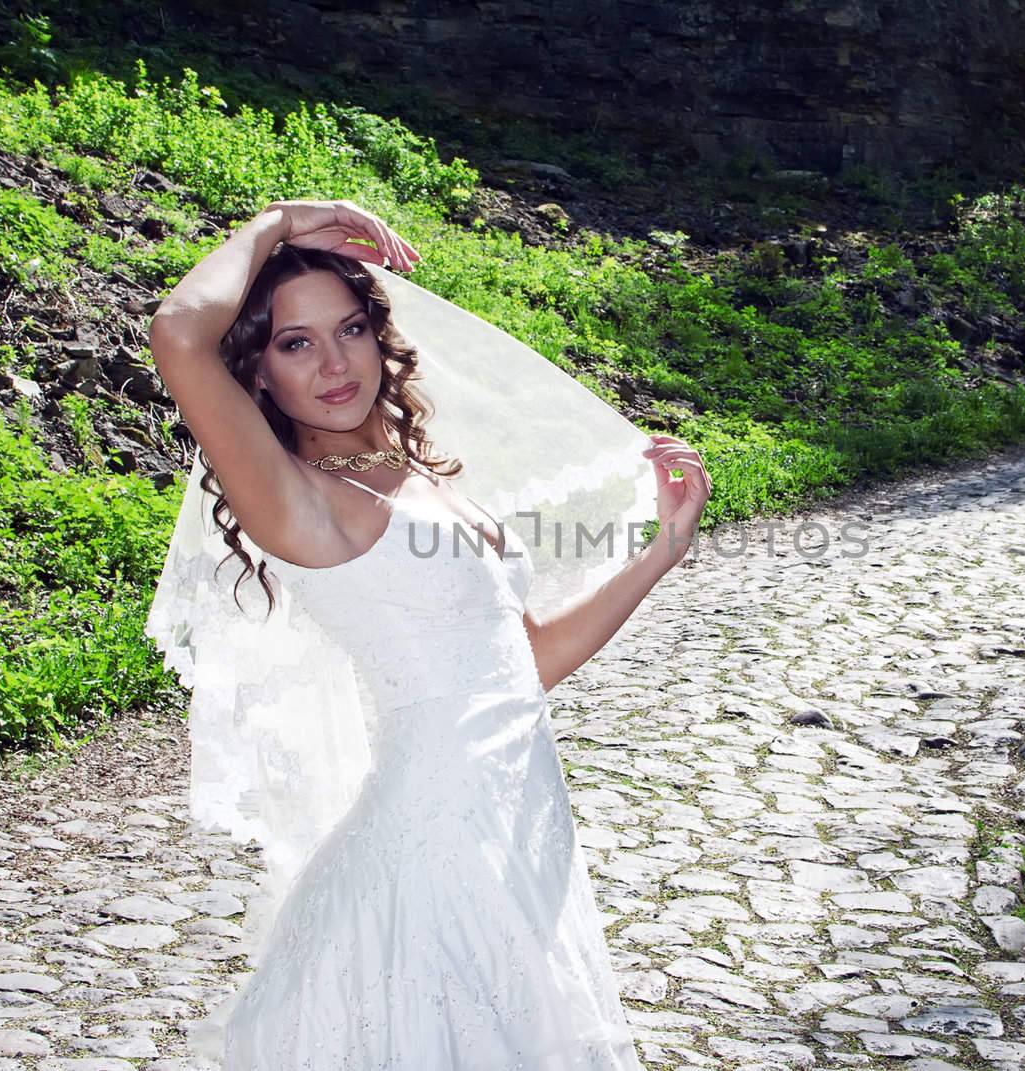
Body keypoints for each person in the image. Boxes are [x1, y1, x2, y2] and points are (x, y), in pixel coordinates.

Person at [145, 198, 711, 1069]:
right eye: (295, 344)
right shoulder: (297, 498)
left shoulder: (414, 477)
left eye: (349, 331)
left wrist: (658, 552)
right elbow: (180, 331)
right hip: (437, 838)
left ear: (381, 337)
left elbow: (522, 661)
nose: (334, 363)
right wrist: (283, 218)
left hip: (518, 819)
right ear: (258, 375)